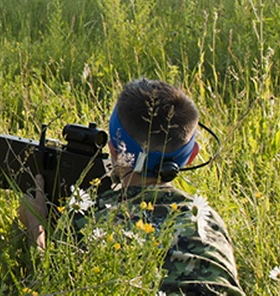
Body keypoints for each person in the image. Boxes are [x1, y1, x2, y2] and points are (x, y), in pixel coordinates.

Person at [19, 79, 245, 295]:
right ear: (192, 156)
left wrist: (35, 228)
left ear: (113, 151)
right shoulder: (208, 220)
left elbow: (51, 285)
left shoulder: (90, 219)